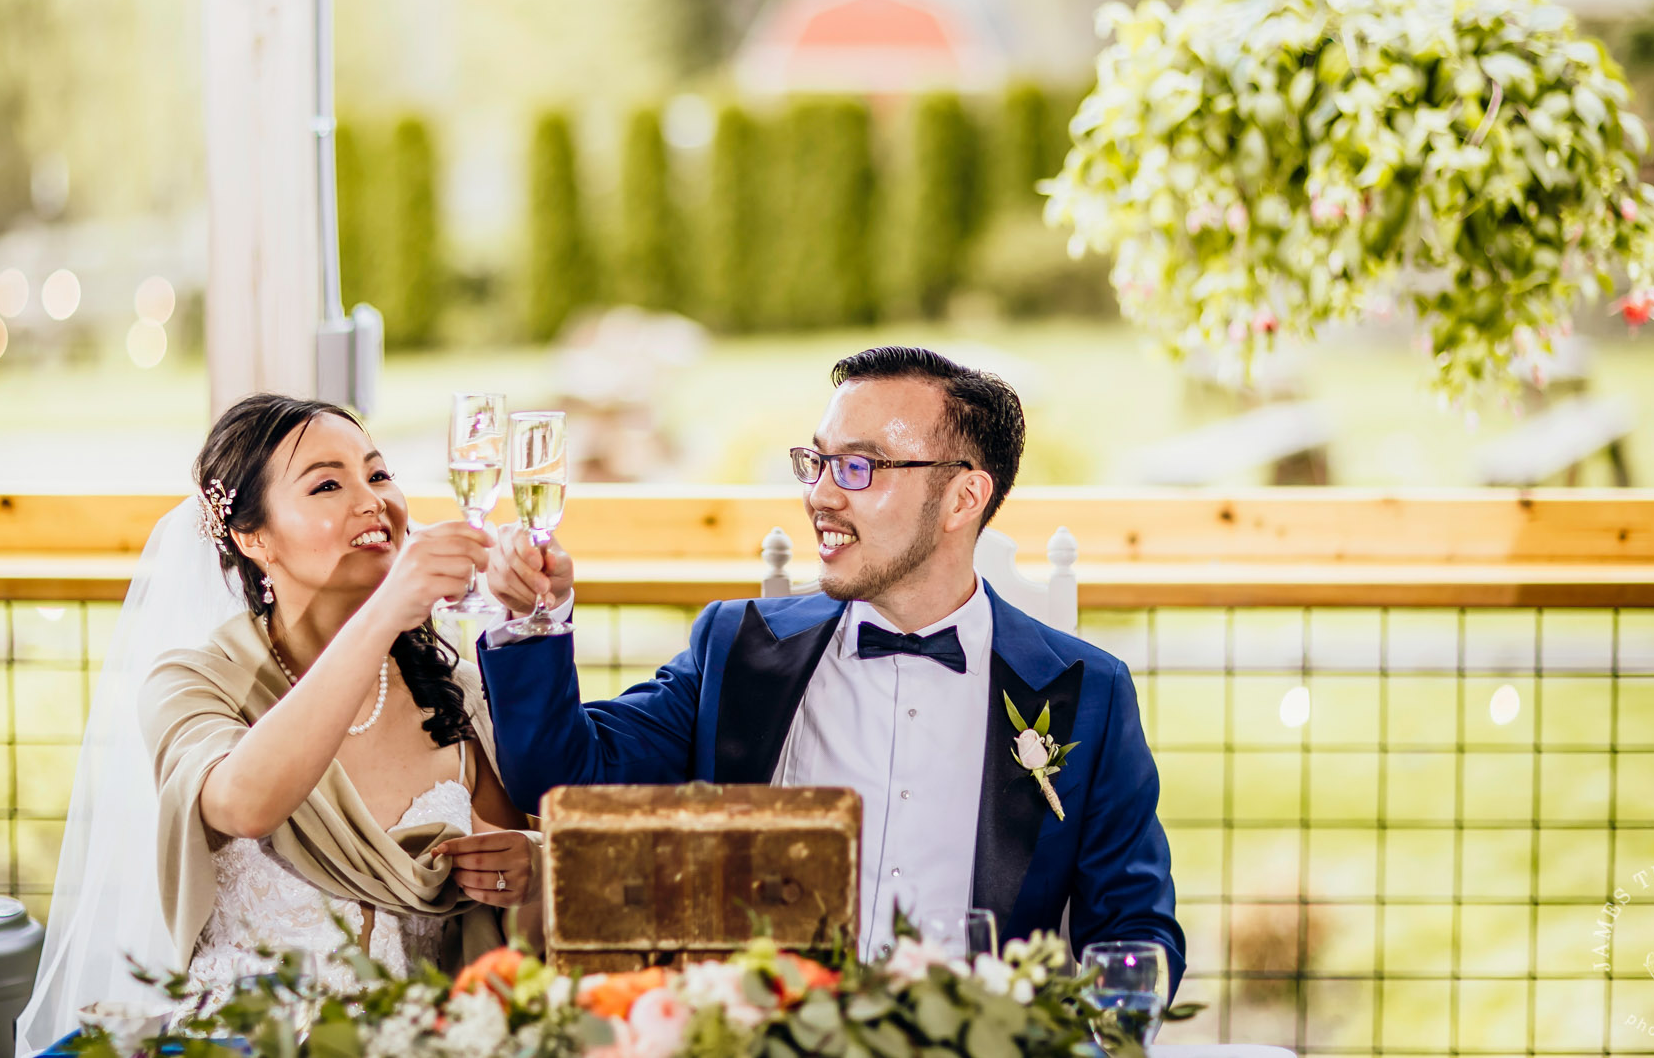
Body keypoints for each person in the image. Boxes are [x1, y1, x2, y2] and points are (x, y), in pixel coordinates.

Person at [479, 346, 1183, 982]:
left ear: (964, 497)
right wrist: (536, 618)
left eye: (859, 466)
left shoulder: (1085, 692)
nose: (820, 493)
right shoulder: (739, 647)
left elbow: (1134, 929)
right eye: (816, 461)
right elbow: (564, 774)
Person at [18, 395, 542, 1053]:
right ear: (251, 536)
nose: (371, 500)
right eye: (328, 483)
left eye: (378, 474)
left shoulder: (455, 695)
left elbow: (520, 923)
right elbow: (245, 801)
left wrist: (533, 868)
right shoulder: (191, 682)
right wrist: (383, 612)